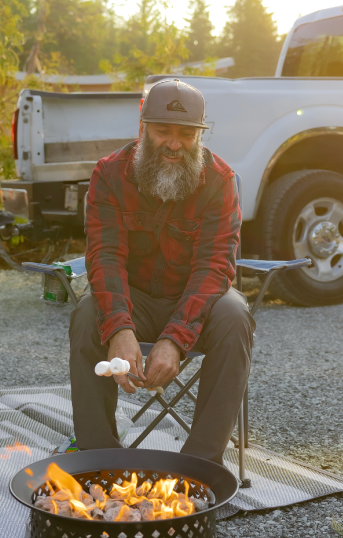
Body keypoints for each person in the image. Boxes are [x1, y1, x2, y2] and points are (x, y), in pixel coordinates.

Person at [69, 79, 255, 466]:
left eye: (186, 134)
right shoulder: (109, 175)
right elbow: (104, 256)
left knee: (236, 314)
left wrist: (176, 338)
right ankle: (99, 457)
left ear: (199, 136)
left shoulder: (219, 180)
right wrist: (120, 328)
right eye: (162, 131)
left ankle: (200, 464)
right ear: (143, 127)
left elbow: (215, 265)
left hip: (194, 304)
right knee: (87, 314)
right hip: (133, 302)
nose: (174, 143)